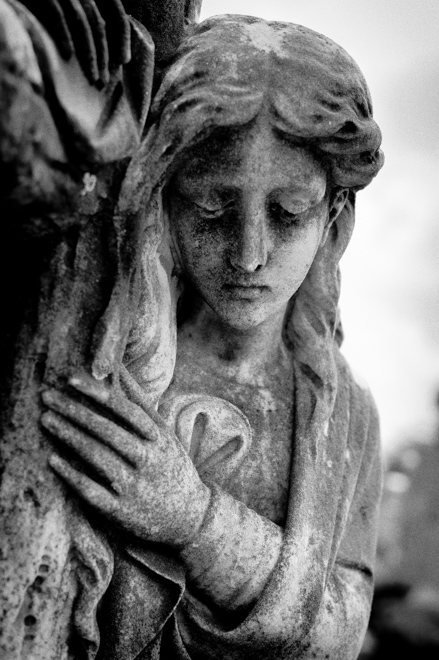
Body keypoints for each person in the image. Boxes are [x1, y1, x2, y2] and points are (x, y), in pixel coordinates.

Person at [37, 12, 384, 660]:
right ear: (163, 197)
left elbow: (339, 629)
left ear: (334, 219)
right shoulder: (108, 361)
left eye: (286, 214)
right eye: (212, 208)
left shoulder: (341, 418)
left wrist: (195, 518)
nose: (248, 254)